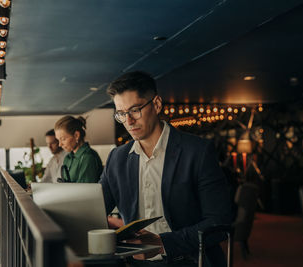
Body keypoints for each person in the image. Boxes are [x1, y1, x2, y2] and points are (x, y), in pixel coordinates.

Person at [100, 71, 235, 266]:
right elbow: (95, 209)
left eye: (135, 110)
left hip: (189, 260)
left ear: (156, 104)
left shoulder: (197, 151)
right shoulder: (117, 158)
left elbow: (219, 222)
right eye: (121, 114)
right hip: (136, 264)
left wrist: (163, 243)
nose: (128, 121)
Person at [54, 116, 103, 183]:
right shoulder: (68, 158)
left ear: (76, 135)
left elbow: (84, 191)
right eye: (58, 140)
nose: (60, 144)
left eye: (63, 139)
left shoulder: (88, 157)